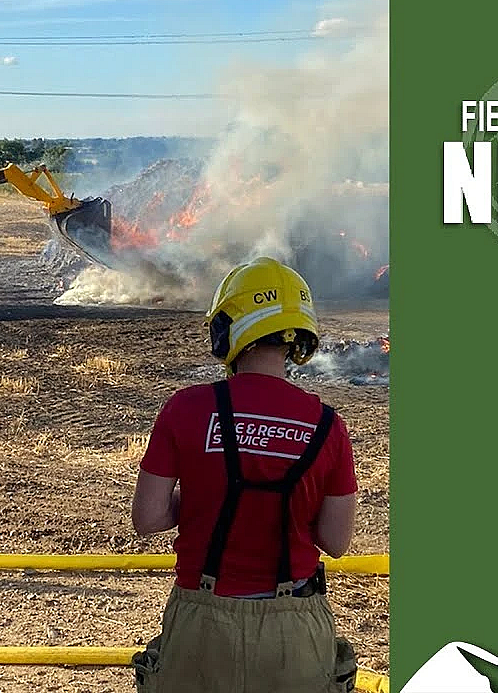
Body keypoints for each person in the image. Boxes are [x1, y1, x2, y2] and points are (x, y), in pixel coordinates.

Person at [130, 256, 359, 693]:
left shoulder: (187, 408)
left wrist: (201, 495)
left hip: (201, 624)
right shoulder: (328, 426)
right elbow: (337, 542)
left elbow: (148, 518)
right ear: (298, 338)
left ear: (228, 330)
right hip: (294, 631)